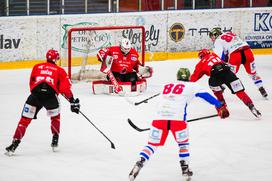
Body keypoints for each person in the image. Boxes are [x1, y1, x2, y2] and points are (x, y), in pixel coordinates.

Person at [129, 68, 229, 181]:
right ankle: (185, 170)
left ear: (177, 77)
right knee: (183, 144)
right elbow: (206, 95)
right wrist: (220, 105)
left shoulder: (167, 86)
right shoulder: (193, 85)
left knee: (151, 145)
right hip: (178, 120)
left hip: (159, 119)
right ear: (188, 77)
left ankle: (139, 162)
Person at [5, 49, 80, 156]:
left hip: (34, 96)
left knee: (24, 120)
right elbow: (65, 88)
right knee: (55, 117)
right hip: (50, 97)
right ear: (56, 59)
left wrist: (38, 93)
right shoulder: (60, 70)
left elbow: (32, 83)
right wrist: (72, 101)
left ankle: (14, 144)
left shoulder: (36, 67)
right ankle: (55, 139)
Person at [190, 49, 261, 118]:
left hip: (215, 76)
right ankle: (251, 105)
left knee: (217, 92)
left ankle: (222, 107)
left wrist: (185, 82)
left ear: (201, 57)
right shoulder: (215, 55)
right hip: (228, 72)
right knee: (239, 91)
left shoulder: (200, 63)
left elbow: (194, 77)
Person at [209, 27, 268, 98]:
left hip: (235, 55)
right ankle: (261, 88)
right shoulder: (231, 34)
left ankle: (221, 89)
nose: (212, 38)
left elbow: (218, 55)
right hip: (248, 51)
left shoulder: (218, 40)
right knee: (253, 73)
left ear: (216, 34)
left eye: (212, 36)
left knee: (227, 74)